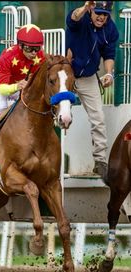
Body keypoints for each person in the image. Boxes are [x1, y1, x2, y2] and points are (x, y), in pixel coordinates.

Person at [66, 1, 119, 180]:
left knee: (99, 118)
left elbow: (109, 55)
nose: (101, 17)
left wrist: (109, 75)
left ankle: (100, 162)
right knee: (58, 114)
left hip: (89, 77)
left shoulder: (110, 29)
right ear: (90, 10)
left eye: (105, 14)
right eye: (97, 12)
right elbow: (72, 18)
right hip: (68, 74)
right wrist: (84, 7)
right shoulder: (80, 17)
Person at [0, 23, 45, 151]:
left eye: (37, 48)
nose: (33, 53)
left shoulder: (40, 57)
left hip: (20, 83)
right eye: (29, 48)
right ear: (20, 45)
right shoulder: (8, 56)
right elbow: (2, 89)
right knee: (0, 107)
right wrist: (17, 86)